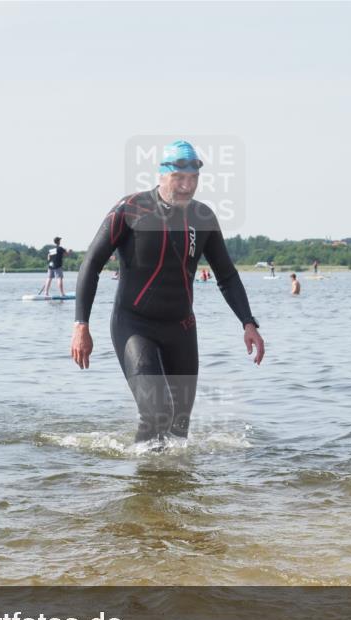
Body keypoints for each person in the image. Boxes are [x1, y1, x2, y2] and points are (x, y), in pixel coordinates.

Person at [71, 140, 265, 444]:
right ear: (161, 175)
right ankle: (142, 482)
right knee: (157, 412)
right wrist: (81, 325)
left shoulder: (204, 218)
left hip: (181, 329)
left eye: (194, 179)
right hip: (134, 325)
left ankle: (171, 489)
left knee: (178, 427)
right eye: (179, 179)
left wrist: (248, 323)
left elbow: (226, 275)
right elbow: (91, 265)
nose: (187, 187)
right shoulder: (130, 209)